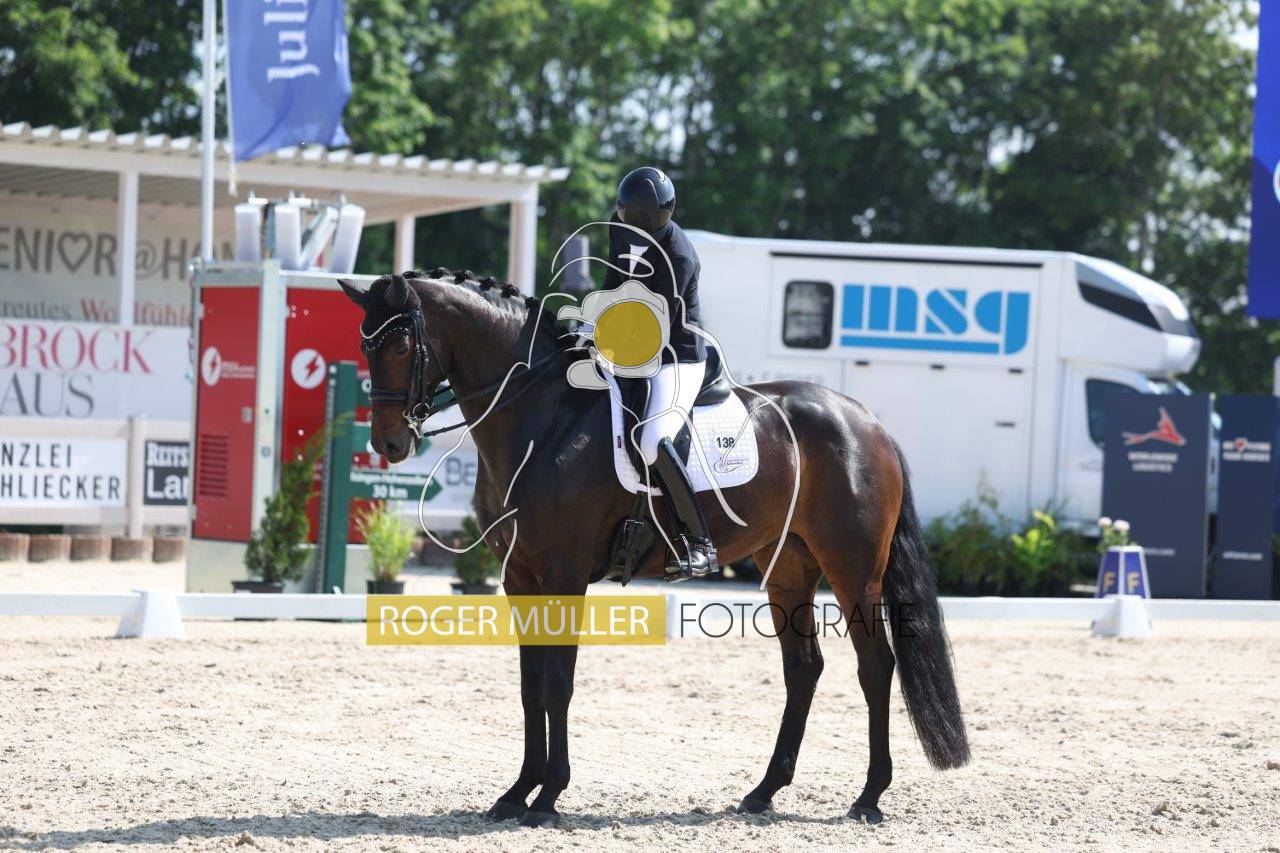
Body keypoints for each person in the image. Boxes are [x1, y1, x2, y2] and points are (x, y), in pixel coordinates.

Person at [604, 166, 717, 579]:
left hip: (677, 356)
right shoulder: (617, 228)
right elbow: (612, 284)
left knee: (653, 440)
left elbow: (655, 323)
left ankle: (700, 543)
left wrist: (610, 341)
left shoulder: (680, 255)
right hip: (634, 346)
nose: (631, 229)